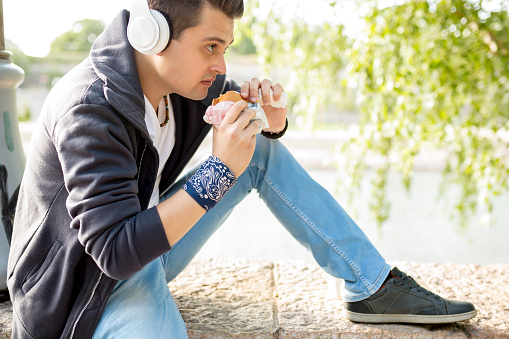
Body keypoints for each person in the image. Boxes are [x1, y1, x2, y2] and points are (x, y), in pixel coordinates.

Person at [7, 0, 477, 338]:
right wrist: (216, 173)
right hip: (79, 293)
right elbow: (113, 252)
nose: (221, 65)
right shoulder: (90, 109)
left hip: (144, 251)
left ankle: (370, 285)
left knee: (257, 150)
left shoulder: (186, 85)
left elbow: (252, 127)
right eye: (211, 46)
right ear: (151, 35)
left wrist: (271, 123)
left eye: (225, 47)